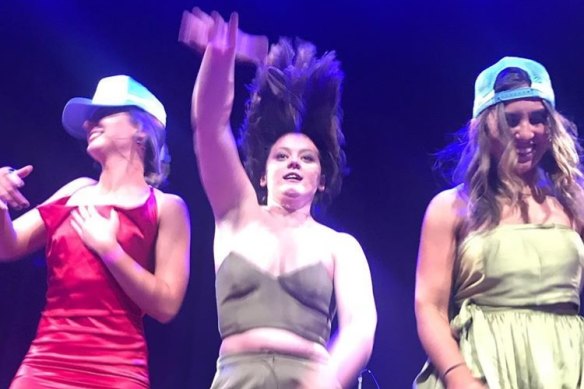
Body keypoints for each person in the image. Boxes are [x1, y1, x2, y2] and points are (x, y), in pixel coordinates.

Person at [180, 9, 377, 389]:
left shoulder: (340, 246)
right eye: (281, 156)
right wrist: (219, 59)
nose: (293, 163)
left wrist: (326, 383)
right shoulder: (237, 214)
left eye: (307, 159)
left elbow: (360, 329)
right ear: (260, 172)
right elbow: (209, 126)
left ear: (321, 179)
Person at [0, 75, 191, 388]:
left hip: (116, 371)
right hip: (45, 364)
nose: (90, 125)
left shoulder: (166, 207)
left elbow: (167, 306)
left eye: (103, 114)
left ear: (141, 128)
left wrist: (110, 250)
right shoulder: (75, 192)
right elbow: (8, 246)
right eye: (90, 120)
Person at [414, 56, 584, 389]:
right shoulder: (452, 208)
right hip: (483, 368)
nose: (526, 132)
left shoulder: (573, 203)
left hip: (566, 368)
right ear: (485, 126)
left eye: (538, 119)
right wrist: (458, 377)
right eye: (511, 120)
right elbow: (429, 307)